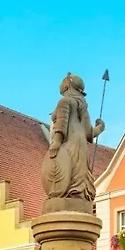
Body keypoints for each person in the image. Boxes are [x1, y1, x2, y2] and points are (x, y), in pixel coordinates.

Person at [42, 73, 105, 208]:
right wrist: (100, 128)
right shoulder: (81, 105)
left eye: (62, 81)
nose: (60, 84)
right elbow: (89, 132)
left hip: (69, 141)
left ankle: (66, 198)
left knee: (67, 170)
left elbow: (61, 124)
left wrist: (56, 142)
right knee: (78, 173)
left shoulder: (64, 102)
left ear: (67, 85)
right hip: (81, 143)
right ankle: (77, 197)